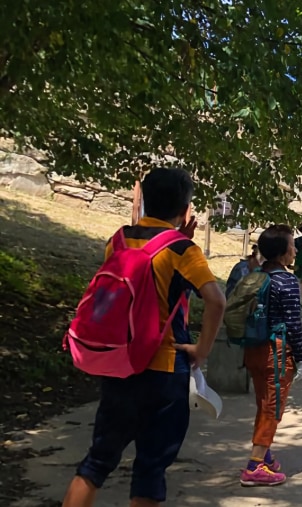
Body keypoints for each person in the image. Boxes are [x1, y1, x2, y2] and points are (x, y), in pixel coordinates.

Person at [62, 168, 226, 507]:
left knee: (97, 461)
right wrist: (202, 349)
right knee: (150, 468)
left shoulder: (117, 240)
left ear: (145, 201)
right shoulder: (184, 250)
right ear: (185, 209)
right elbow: (216, 300)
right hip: (163, 370)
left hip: (120, 364)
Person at [240, 224, 302, 487]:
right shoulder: (287, 281)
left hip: (253, 350)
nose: (295, 249)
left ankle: (265, 454)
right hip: (276, 353)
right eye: (292, 245)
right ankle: (254, 466)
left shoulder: (255, 275)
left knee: (264, 403)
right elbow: (294, 324)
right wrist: (300, 357)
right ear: (282, 252)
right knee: (272, 408)